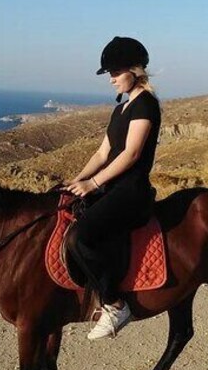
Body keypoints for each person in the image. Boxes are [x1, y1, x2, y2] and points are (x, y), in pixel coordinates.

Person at [66, 36, 161, 340]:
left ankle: (115, 304)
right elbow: (102, 153)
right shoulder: (121, 109)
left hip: (131, 192)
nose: (111, 80)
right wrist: (76, 182)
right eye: (110, 74)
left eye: (116, 73)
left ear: (135, 71)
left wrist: (93, 183)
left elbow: (130, 154)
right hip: (111, 188)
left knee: (83, 237)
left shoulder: (146, 104)